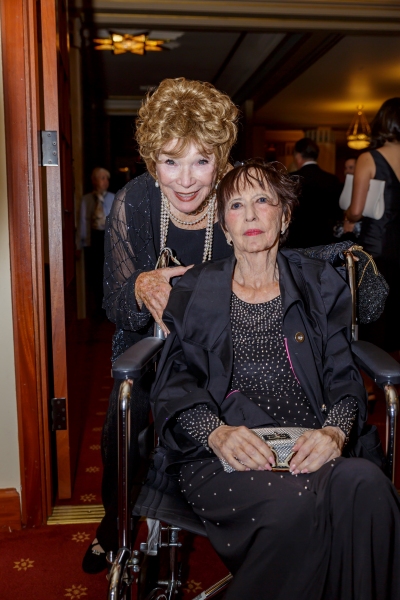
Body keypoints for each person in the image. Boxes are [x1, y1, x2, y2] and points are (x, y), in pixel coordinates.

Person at [151, 160, 400, 600]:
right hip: (223, 451)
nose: (249, 215)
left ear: (284, 216)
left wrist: (335, 432)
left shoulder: (321, 284)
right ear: (224, 226)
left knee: (368, 487)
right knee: (297, 504)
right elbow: (174, 381)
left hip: (309, 442)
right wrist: (216, 433)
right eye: (236, 205)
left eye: (262, 200)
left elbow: (342, 377)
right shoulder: (195, 290)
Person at [82, 78, 239, 572]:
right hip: (148, 346)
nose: (187, 179)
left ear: (222, 158)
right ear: (154, 162)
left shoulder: (243, 197)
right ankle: (117, 526)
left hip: (225, 345)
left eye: (201, 160)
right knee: (120, 430)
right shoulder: (135, 201)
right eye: (171, 161)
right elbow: (115, 306)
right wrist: (140, 286)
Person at [343, 98, 400, 352]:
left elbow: (356, 211)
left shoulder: (370, 158)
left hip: (377, 246)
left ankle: (375, 379)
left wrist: (348, 216)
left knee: (374, 315)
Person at [287, 137, 342, 247]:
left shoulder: (291, 179)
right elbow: (337, 213)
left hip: (296, 240)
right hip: (324, 240)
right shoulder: (332, 180)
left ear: (298, 155)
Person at [79, 167, 114, 316]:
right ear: (94, 181)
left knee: (108, 274)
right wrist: (79, 244)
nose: (105, 181)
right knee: (94, 275)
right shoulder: (87, 199)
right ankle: (97, 309)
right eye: (102, 178)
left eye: (107, 178)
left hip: (108, 240)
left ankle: (109, 308)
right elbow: (82, 221)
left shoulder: (114, 198)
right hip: (93, 239)